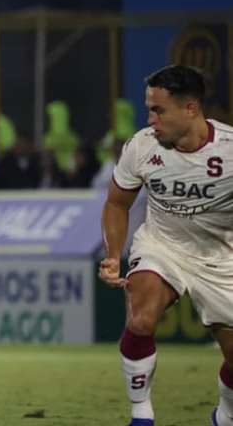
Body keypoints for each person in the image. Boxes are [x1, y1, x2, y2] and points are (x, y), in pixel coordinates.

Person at [99, 65, 233, 426]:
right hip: (162, 245)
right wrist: (114, 255)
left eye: (159, 110)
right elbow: (116, 203)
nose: (151, 119)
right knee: (141, 319)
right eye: (148, 109)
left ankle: (225, 416)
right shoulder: (142, 146)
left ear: (190, 108)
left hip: (220, 257)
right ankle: (141, 416)